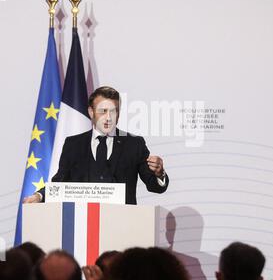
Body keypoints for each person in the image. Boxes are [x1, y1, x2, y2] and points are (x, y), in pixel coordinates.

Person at [24, 86, 169, 204]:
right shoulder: (73, 144)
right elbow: (60, 182)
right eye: (103, 111)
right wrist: (39, 196)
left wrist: (159, 173)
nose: (108, 118)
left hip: (122, 226)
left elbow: (155, 186)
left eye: (113, 111)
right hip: (83, 224)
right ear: (91, 112)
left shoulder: (134, 143)